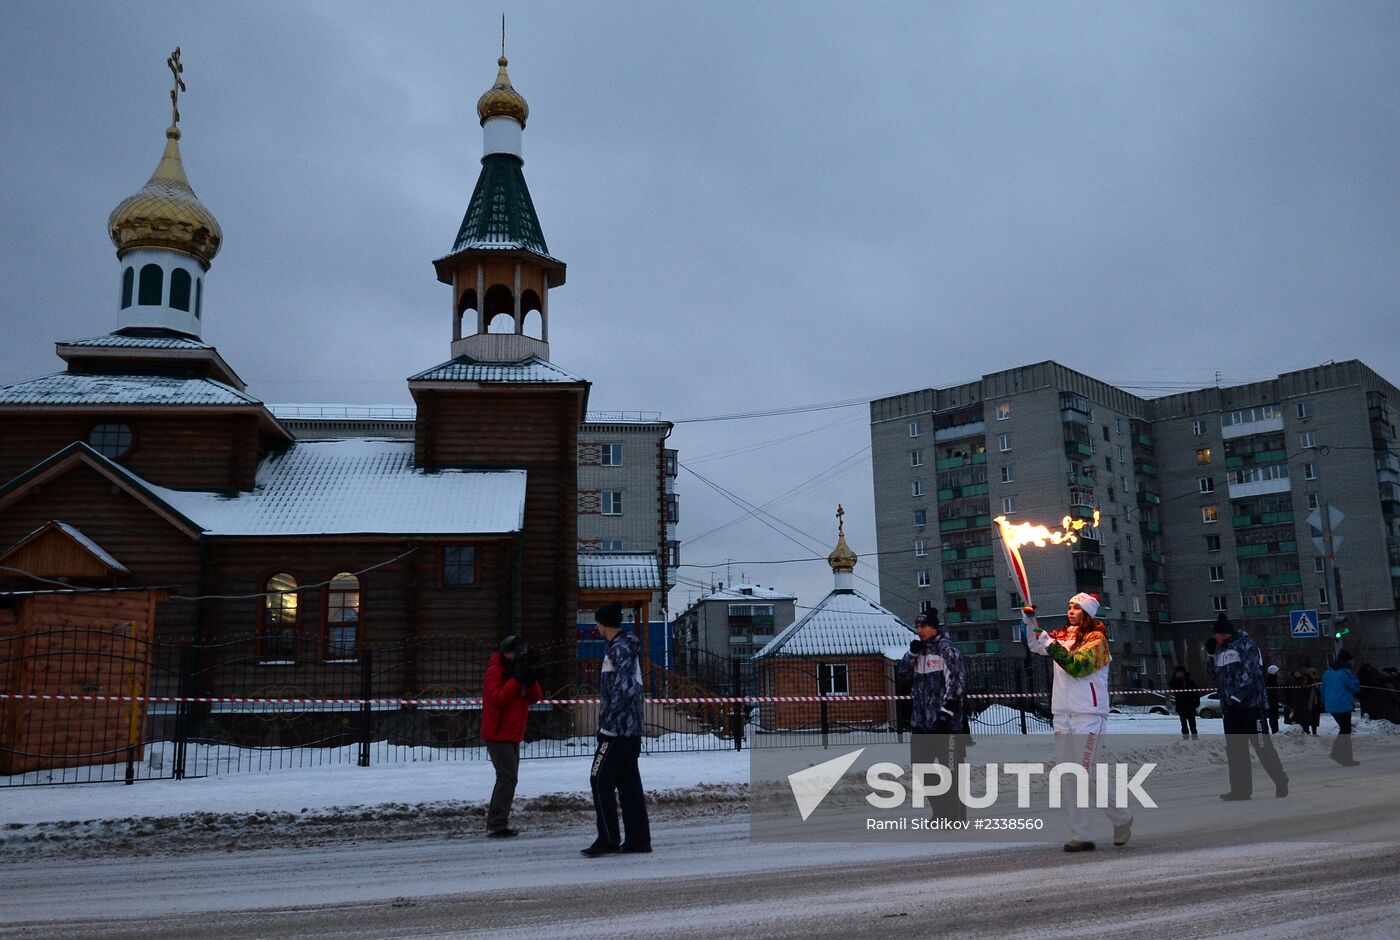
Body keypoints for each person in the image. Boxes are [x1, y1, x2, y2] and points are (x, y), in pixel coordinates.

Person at [1023, 593, 1132, 852]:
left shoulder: (1097, 641)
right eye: (1070, 606)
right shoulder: (1063, 636)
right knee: (1069, 776)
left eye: (1077, 608)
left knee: (1086, 773)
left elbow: (1076, 666)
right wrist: (1030, 621)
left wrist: (1049, 642)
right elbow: (1035, 645)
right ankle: (1081, 834)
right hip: (1062, 714)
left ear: (1088, 613)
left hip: (1088, 715)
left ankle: (1121, 817)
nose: (1071, 611)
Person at [583, 600, 651, 857]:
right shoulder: (622, 647)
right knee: (628, 781)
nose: (596, 627)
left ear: (604, 623)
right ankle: (638, 839)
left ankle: (608, 838)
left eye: (598, 622)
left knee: (599, 777)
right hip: (630, 729)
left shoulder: (619, 650)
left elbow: (624, 690)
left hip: (618, 729)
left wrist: (609, 726)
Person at [1205, 614, 1288, 800]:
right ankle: (1241, 790)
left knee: (1261, 745)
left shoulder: (1246, 645)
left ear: (1223, 633)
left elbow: (1250, 674)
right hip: (1231, 710)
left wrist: (1236, 697)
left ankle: (1280, 779)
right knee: (1236, 750)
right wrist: (1210, 655)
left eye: (1215, 634)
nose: (1213, 638)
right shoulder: (1221, 651)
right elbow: (1214, 675)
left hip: (1251, 707)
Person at [896, 608, 966, 822]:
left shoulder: (947, 650)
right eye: (917, 626)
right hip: (922, 723)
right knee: (921, 769)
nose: (919, 630)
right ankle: (940, 811)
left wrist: (946, 713)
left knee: (951, 772)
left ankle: (954, 816)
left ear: (934, 627)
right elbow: (901, 677)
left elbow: (957, 682)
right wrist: (911, 654)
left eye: (923, 626)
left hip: (946, 724)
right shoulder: (918, 651)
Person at [481, 635, 544, 838]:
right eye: (515, 652)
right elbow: (498, 699)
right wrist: (516, 681)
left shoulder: (514, 670)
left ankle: (497, 822)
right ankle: (497, 824)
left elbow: (535, 697)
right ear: (506, 652)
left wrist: (530, 680)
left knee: (508, 778)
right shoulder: (495, 671)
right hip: (498, 734)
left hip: (512, 733)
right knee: (507, 778)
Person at [1321, 650, 1362, 766]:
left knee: (1344, 729)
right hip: (1343, 703)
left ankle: (1340, 755)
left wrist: (1325, 701)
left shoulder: (1327, 672)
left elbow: (1322, 688)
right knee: (1345, 731)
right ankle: (1343, 756)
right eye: (1352, 660)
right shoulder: (1345, 672)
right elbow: (1355, 687)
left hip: (1331, 704)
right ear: (1348, 661)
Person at [1169, 665, 1200, 738]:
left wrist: (1196, 702)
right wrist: (1175, 678)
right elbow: (1171, 685)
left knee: (1192, 722)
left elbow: (1195, 693)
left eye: (1181, 672)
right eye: (1178, 672)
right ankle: (1185, 736)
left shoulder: (1190, 682)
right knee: (1183, 723)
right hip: (1181, 706)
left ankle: (1194, 736)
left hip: (1190, 705)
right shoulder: (1176, 682)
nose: (1180, 674)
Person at [1264, 664, 1281, 734]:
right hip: (1271, 701)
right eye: (1278, 672)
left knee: (1273, 718)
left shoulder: (1273, 680)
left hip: (1272, 701)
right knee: (1273, 717)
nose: (1279, 673)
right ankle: (1274, 731)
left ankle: (1274, 731)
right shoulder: (1271, 680)